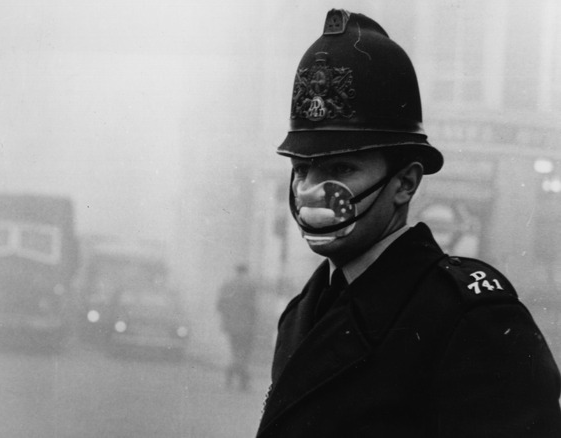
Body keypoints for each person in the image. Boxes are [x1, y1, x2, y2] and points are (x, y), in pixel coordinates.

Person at [256, 9, 561, 437]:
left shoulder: (470, 320)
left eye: (341, 169)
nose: (311, 190)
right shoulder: (303, 313)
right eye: (303, 168)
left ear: (405, 183)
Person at [217, 263, 258, 391]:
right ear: (246, 271)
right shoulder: (250, 285)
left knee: (235, 352)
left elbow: (220, 305)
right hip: (246, 326)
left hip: (231, 326)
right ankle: (242, 381)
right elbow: (253, 307)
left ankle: (231, 377)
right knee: (244, 354)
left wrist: (227, 319)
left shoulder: (227, 285)